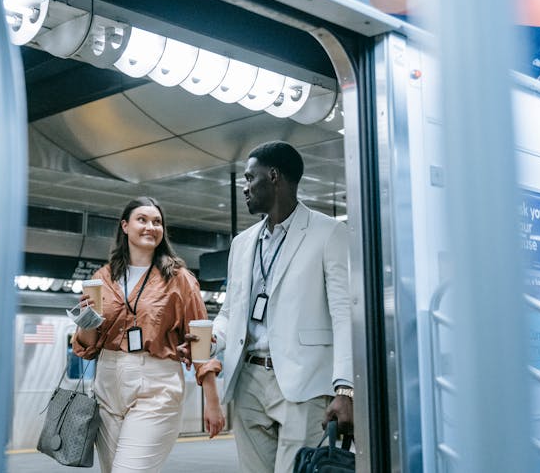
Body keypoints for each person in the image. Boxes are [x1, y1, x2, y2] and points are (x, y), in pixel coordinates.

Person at [180, 141, 353, 473]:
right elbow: (231, 313)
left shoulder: (329, 232)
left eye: (250, 178)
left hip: (304, 381)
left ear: (273, 176)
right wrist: (212, 341)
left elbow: (344, 315)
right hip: (248, 380)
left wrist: (345, 388)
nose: (245, 188)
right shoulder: (242, 244)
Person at [73, 196, 225, 473]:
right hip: (107, 384)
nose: (150, 227)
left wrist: (212, 402)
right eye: (142, 220)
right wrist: (86, 318)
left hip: (156, 385)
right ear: (125, 226)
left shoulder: (179, 278)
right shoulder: (103, 277)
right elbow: (87, 346)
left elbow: (201, 340)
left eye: (157, 222)